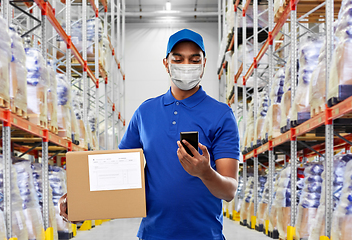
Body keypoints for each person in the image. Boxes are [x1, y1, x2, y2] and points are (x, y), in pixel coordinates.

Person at [60, 29, 240, 240]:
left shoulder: (221, 114)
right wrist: (81, 200)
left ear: (204, 63)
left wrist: (205, 172)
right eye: (178, 59)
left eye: (194, 59)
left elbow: (229, 191)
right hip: (153, 234)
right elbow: (119, 172)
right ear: (166, 63)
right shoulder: (145, 112)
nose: (186, 65)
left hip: (204, 235)